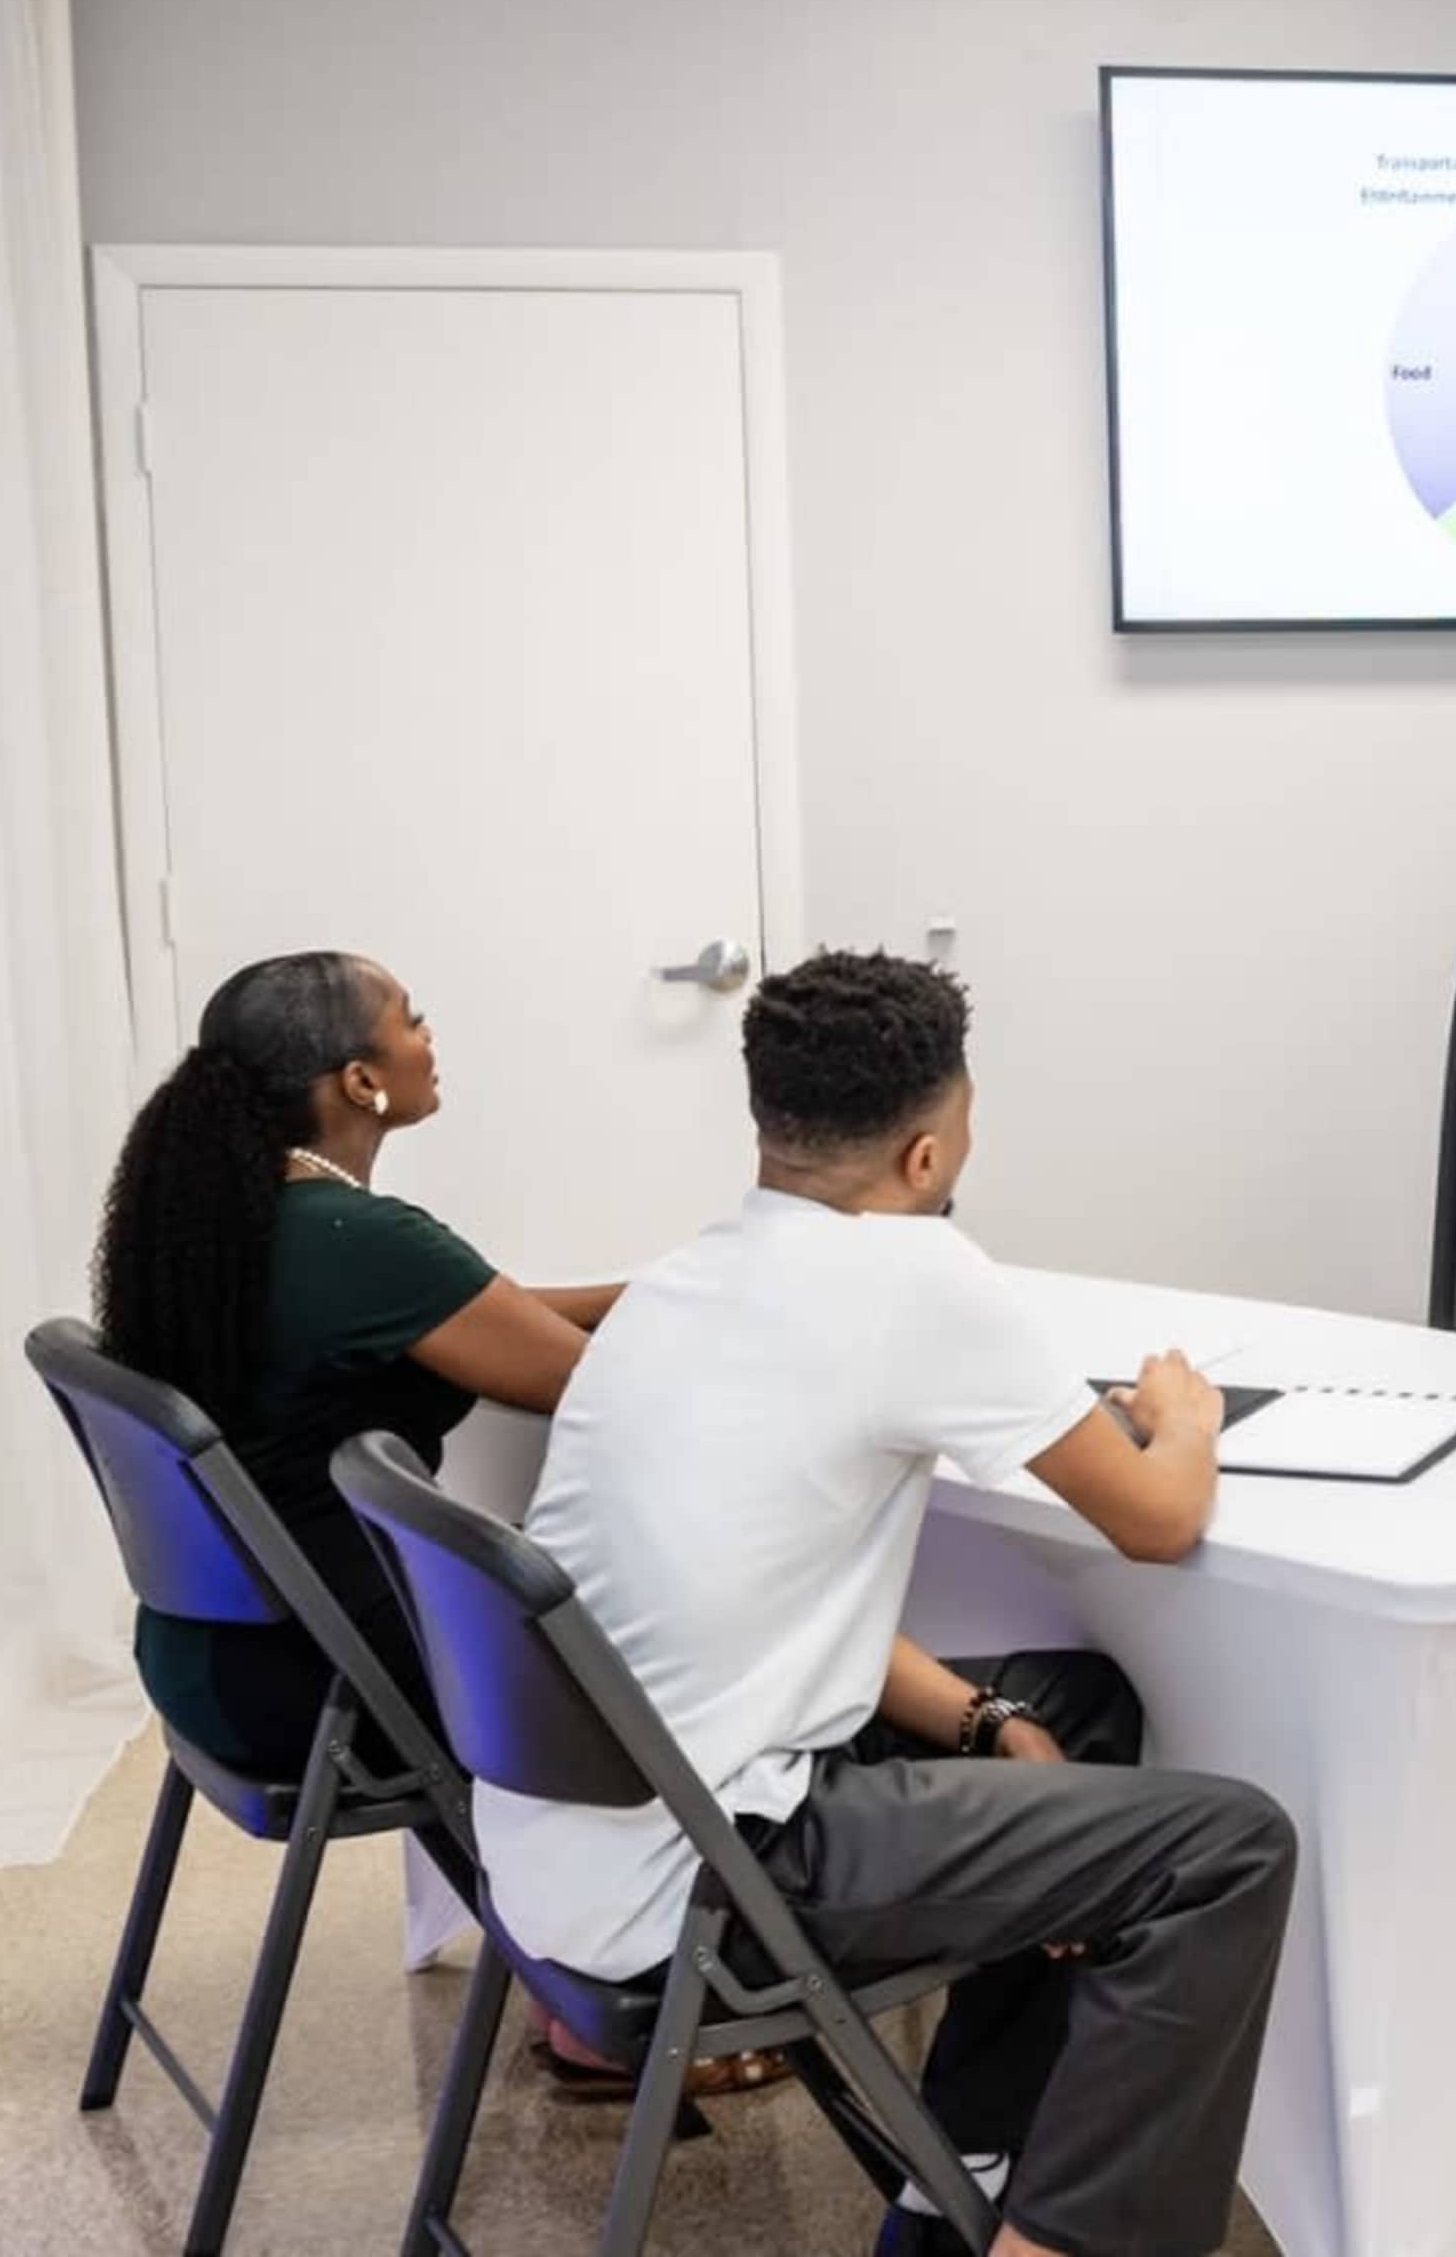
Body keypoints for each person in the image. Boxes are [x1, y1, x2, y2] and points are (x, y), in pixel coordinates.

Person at [474, 950, 1295, 2257]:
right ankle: (1070, 2242)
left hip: (561, 1850)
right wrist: (1180, 1421)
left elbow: (767, 1614)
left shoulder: (681, 1281)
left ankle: (965, 2161)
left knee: (1074, 1703)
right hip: (708, 1877)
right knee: (1225, 1848)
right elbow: (1156, 1517)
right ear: (927, 1155)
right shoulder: (921, 1280)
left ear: (768, 1123)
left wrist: (984, 1721)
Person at [88, 952, 739, 2098]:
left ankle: (574, 1973)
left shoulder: (237, 1215)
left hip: (214, 1661)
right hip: (326, 1682)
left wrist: (680, 1283)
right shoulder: (351, 1236)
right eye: (412, 1018)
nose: (432, 1034)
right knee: (681, 1654)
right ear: (360, 1080)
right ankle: (620, 2015)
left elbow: (480, 1308)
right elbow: (586, 1382)